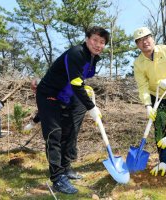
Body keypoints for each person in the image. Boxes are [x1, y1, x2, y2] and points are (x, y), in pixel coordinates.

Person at [35, 26, 109, 194]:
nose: (98, 45)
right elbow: (76, 83)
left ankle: (65, 166)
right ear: (87, 39)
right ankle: (57, 178)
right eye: (95, 40)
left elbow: (79, 80)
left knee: (70, 131)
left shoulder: (93, 58)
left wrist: (85, 97)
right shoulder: (77, 53)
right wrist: (91, 107)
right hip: (49, 94)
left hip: (67, 95)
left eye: (102, 42)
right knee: (54, 133)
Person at [133, 27, 166, 170]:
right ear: (137, 45)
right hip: (155, 96)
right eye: (140, 41)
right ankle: (164, 160)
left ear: (152, 38)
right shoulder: (138, 63)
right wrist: (147, 105)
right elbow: (143, 86)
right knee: (159, 128)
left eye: (146, 38)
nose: (144, 42)